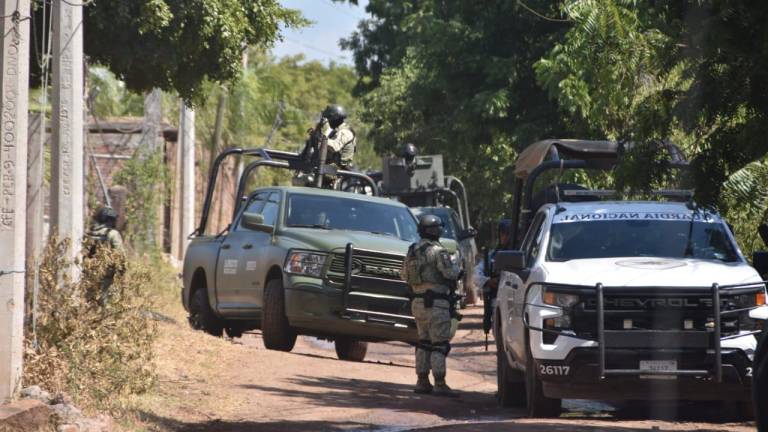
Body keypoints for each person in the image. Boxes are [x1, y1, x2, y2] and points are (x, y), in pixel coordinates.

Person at [401, 214, 462, 397]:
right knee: (439, 344)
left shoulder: (412, 250)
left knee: (424, 342)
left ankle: (422, 381)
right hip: (437, 303)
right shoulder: (439, 251)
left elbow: (404, 275)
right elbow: (450, 273)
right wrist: (459, 268)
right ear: (436, 231)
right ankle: (440, 383)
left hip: (417, 302)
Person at [475, 219, 513, 347]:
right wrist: (489, 281)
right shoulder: (492, 256)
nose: (506, 237)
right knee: (500, 340)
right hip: (497, 301)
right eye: (504, 234)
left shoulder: (524, 254)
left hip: (517, 303)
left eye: (509, 233)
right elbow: (476, 275)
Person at [320, 104, 356, 170]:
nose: (327, 121)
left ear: (335, 118)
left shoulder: (345, 132)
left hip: (340, 173)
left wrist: (321, 137)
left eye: (328, 119)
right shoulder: (336, 131)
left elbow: (334, 147)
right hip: (331, 169)